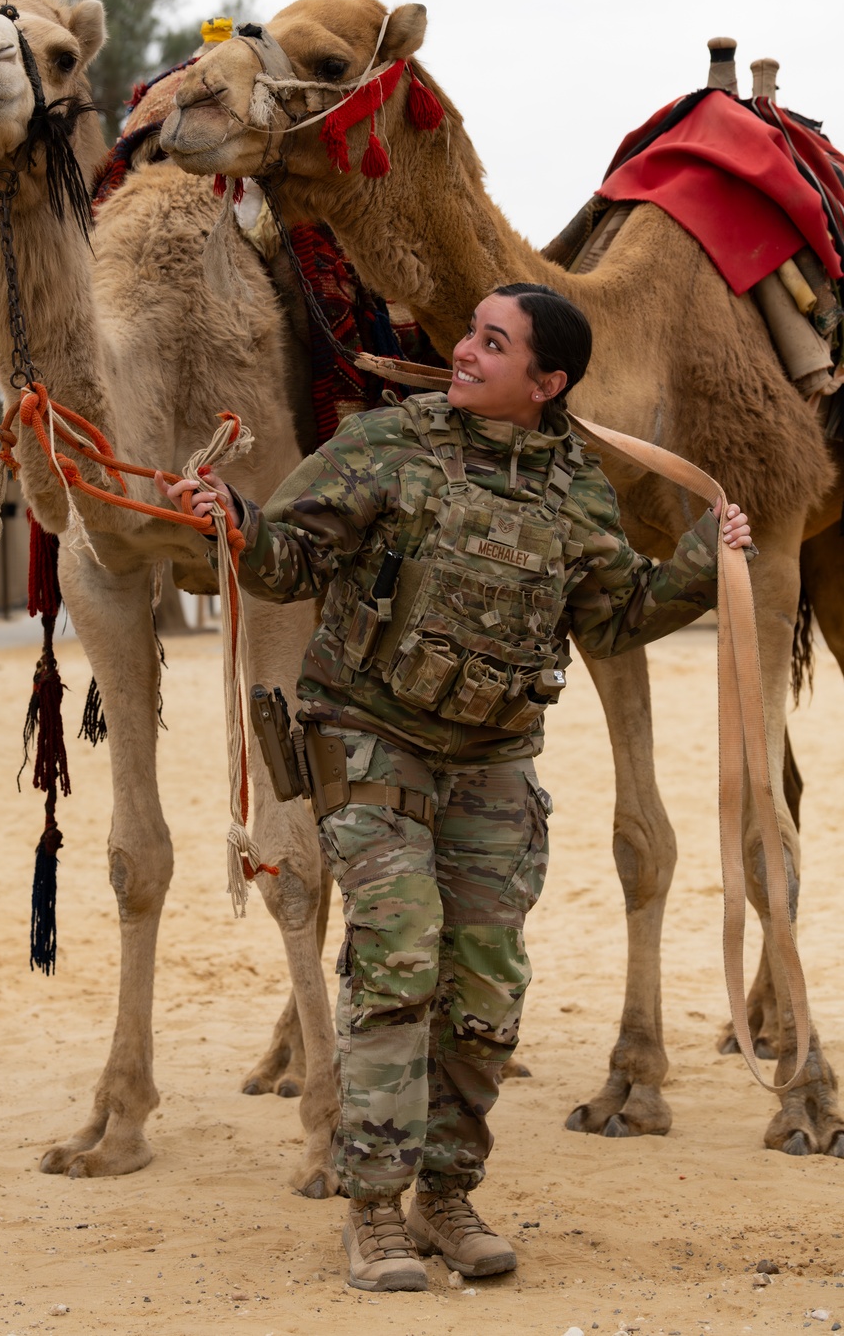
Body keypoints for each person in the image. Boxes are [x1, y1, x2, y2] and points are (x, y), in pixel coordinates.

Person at [156, 283, 753, 1294]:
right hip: (371, 740)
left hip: (492, 765)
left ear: (546, 380)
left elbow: (611, 620)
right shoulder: (386, 443)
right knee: (397, 955)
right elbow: (290, 560)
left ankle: (444, 1194)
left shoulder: (577, 489)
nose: (465, 352)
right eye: (470, 334)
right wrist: (238, 520)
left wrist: (705, 559)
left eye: (492, 342)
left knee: (484, 986)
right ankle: (375, 1212)